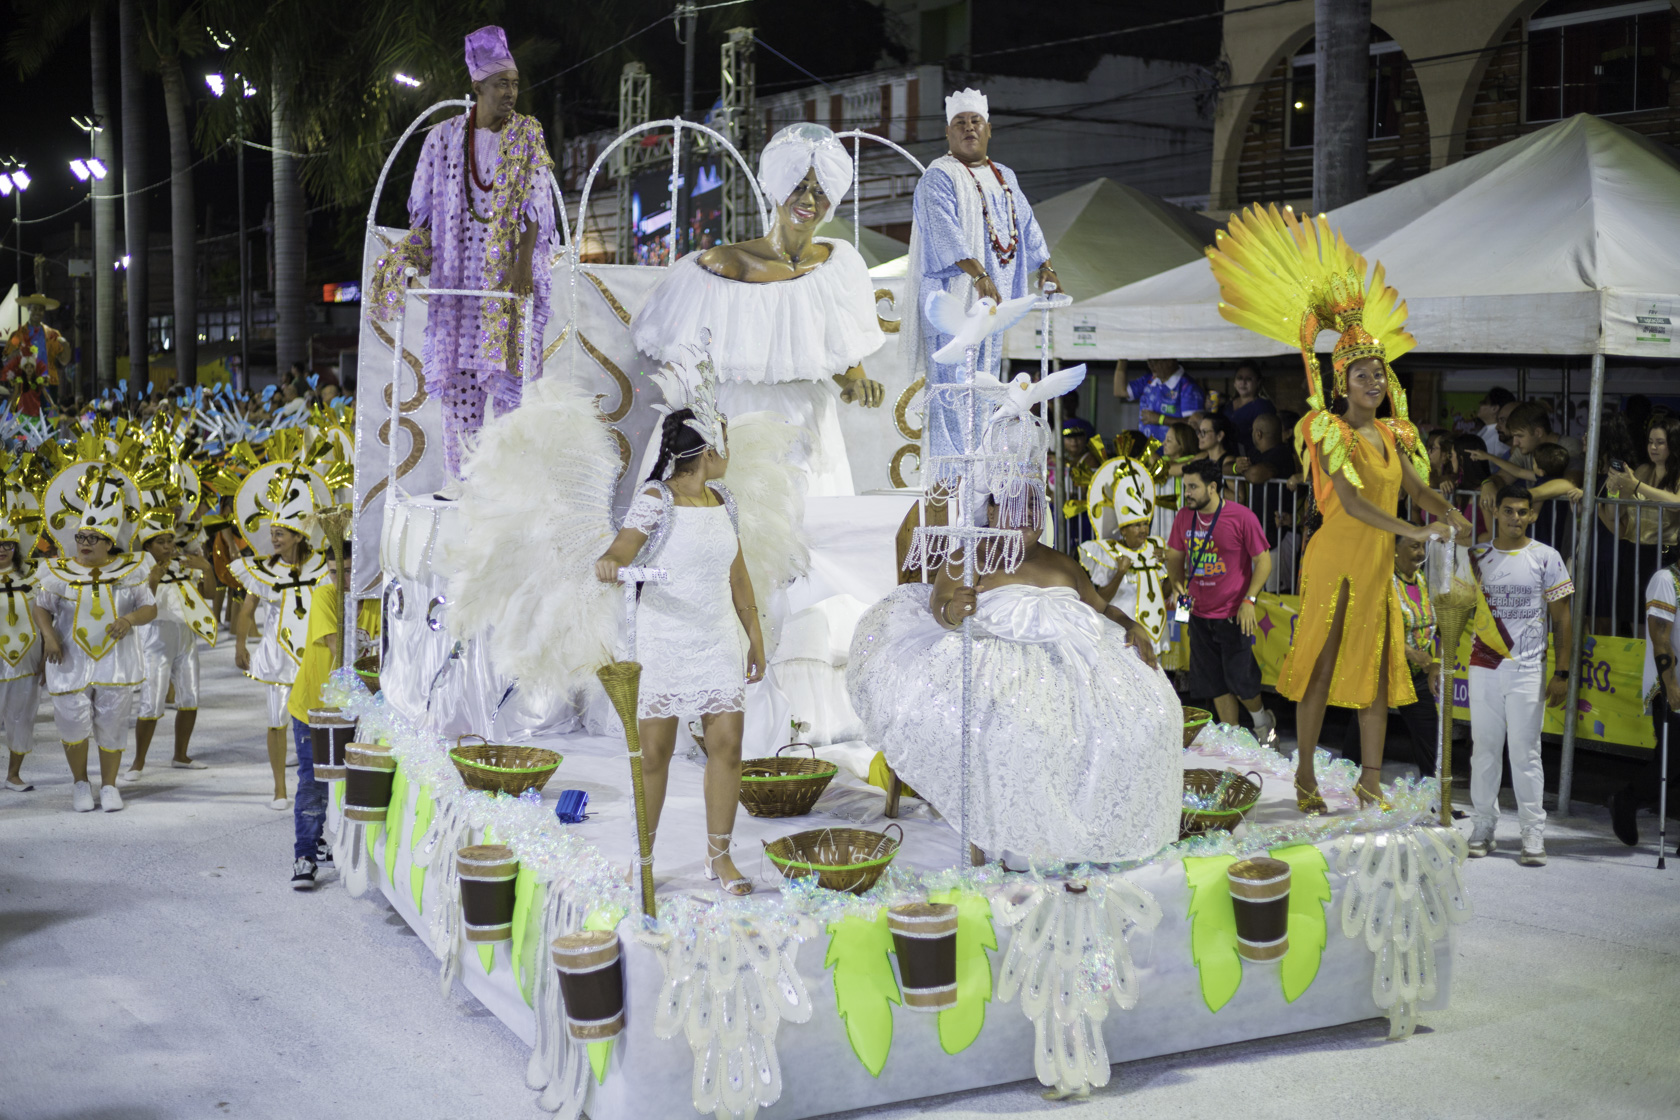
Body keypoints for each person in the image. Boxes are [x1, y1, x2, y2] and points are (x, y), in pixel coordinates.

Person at [1207, 205, 1471, 812]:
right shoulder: (1326, 431)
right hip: (1336, 557)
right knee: (1323, 670)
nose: (1373, 382)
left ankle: (1370, 781)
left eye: (1379, 373)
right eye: (1362, 375)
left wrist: (1449, 513)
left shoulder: (1395, 435)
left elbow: (1419, 490)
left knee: (1377, 673)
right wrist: (1415, 531)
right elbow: (1350, 501)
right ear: (1341, 382)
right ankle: (1304, 773)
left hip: (1377, 560)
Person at [848, 494, 1178, 865]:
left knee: (1146, 715)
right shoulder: (966, 559)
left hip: (1071, 668)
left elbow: (1101, 608)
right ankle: (1018, 837)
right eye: (1013, 505)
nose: (1026, 515)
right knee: (1018, 730)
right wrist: (953, 610)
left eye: (1034, 507)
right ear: (990, 511)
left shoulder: (1063, 563)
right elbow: (940, 607)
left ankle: (1099, 828)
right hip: (992, 669)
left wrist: (1131, 624)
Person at [631, 123, 885, 497]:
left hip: (804, 422)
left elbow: (839, 350)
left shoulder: (839, 266)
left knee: (806, 520)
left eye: (820, 190)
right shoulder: (722, 265)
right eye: (798, 186)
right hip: (733, 418)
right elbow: (683, 365)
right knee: (734, 517)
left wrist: (856, 382)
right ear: (776, 186)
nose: (808, 200)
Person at [368, 25, 558, 486]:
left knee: (512, 398)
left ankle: (509, 492)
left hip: (506, 289)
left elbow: (537, 206)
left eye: (515, 83)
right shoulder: (442, 138)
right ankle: (462, 487)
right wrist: (407, 257)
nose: (510, 92)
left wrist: (522, 264)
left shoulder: (527, 135)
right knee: (459, 395)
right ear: (477, 85)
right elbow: (424, 217)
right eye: (501, 83)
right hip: (457, 291)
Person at [594, 393, 767, 896]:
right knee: (654, 753)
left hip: (716, 635)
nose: (731, 453)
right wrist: (610, 563)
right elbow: (623, 548)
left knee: (728, 747)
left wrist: (755, 636)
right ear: (710, 450)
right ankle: (643, 859)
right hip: (664, 637)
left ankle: (719, 856)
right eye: (726, 443)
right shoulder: (656, 498)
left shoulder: (724, 501)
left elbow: (738, 573)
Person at [903, 87, 1056, 490]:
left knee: (986, 387)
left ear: (989, 129)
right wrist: (978, 275)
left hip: (993, 305)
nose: (969, 128)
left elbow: (1026, 224)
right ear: (947, 132)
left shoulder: (1005, 177)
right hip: (952, 302)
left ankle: (981, 479)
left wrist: (1045, 265)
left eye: (976, 121)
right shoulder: (938, 177)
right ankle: (951, 483)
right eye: (960, 122)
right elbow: (944, 232)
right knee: (953, 388)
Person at [33, 465, 159, 813]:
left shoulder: (131, 570)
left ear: (109, 542)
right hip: (69, 660)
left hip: (116, 662)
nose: (85, 544)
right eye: (81, 537)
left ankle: (109, 786)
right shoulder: (58, 572)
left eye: (93, 538)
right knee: (72, 721)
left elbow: (150, 608)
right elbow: (41, 606)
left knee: (113, 723)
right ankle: (80, 783)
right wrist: (49, 637)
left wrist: (129, 619)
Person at [1465, 482, 1575, 866]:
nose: (1515, 518)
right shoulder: (1476, 556)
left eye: (1522, 511)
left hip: (1528, 669)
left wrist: (1562, 672)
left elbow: (1562, 619)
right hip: (1484, 666)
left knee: (1526, 753)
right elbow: (1457, 608)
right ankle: (1483, 826)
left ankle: (1532, 831)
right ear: (1496, 512)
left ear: (1532, 514)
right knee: (1484, 750)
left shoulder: (1547, 557)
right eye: (1508, 510)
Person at [232, 466, 330, 811]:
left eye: (281, 534)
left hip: (316, 655)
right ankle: (279, 788)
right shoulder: (263, 570)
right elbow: (247, 610)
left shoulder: (323, 566)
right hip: (277, 657)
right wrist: (240, 645)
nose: (274, 539)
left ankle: (320, 783)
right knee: (276, 722)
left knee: (320, 722)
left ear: (299, 536)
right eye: (272, 533)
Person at [288, 551, 381, 890]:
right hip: (315, 709)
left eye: (349, 571)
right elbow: (337, 648)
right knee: (313, 783)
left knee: (354, 783)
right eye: (333, 572)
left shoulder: (376, 602)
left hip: (359, 709)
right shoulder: (325, 596)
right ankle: (305, 854)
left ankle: (344, 847)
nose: (341, 580)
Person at [1166, 459, 1277, 741]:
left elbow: (1264, 561)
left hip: (1233, 614)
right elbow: (1175, 556)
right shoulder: (1183, 517)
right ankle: (1233, 737)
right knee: (1213, 682)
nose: (1187, 493)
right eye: (1185, 487)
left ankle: (1262, 722)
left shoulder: (1241, 517)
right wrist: (1178, 587)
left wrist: (1249, 600)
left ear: (1212, 487)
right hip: (1198, 614)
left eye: (1193, 487)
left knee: (1241, 680)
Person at [124, 524, 218, 781]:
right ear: (147, 546)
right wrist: (153, 580)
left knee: (190, 698)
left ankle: (181, 755)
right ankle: (138, 763)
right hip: (155, 641)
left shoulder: (184, 567)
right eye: (160, 542)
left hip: (185, 640)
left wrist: (207, 569)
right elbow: (137, 606)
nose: (167, 547)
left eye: (170, 541)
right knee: (151, 702)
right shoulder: (138, 570)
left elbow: (209, 595)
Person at [1341, 535, 1440, 779]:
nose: (1421, 552)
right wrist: (1411, 653)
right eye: (1414, 546)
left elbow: (1443, 625)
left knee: (1429, 737)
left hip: (1416, 674)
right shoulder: (1381, 582)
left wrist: (1436, 662)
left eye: (1422, 546)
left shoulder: (1424, 580)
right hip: (1381, 671)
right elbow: (1373, 628)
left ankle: (1432, 792)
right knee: (1362, 734)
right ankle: (1344, 783)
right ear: (1395, 550)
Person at [1080, 457, 1172, 663]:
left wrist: (1172, 566)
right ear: (1123, 530)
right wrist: (1120, 573)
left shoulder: (1156, 548)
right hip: (1122, 635)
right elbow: (1100, 600)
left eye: (1145, 524)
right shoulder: (1108, 552)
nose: (1143, 530)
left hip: (1155, 634)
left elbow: (1164, 594)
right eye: (1137, 525)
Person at [0, 513, 42, 794]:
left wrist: (47, 656)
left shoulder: (34, 579)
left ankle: (13, 775)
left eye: (7, 544)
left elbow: (46, 618)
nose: (2, 549)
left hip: (27, 659)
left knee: (22, 717)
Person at [1125, 359, 1205, 444]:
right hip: (1148, 450)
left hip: (1174, 451)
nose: (1151, 366)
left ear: (1169, 361)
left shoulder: (1188, 387)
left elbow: (1194, 424)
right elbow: (1119, 391)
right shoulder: (1150, 378)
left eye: (1155, 362)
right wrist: (1121, 356)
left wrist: (1161, 419)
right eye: (1149, 361)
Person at [1222, 361, 1276, 455]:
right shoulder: (1227, 405)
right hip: (1228, 456)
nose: (1243, 382)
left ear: (1258, 382)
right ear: (1234, 382)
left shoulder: (1262, 406)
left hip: (1252, 456)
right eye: (1239, 378)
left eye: (1249, 379)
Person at [1474, 387, 1516, 460]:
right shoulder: (1487, 430)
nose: (1480, 404)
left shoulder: (1500, 435)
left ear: (1494, 408)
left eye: (1484, 402)